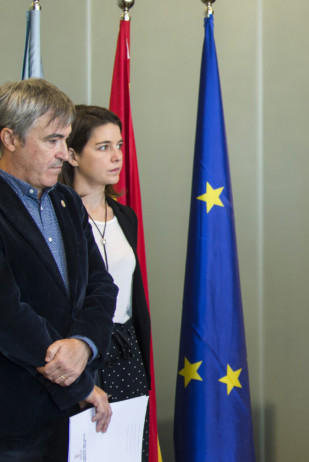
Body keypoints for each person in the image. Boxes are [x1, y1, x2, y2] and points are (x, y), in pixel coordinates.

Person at [0, 79, 116, 460]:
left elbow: (101, 286)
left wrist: (83, 344)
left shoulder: (66, 200)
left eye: (65, 140)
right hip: (14, 423)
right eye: (52, 140)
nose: (64, 154)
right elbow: (7, 314)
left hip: (72, 419)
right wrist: (76, 383)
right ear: (10, 139)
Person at [59, 105, 152, 462]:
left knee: (127, 449)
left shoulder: (125, 216)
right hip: (82, 351)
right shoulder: (58, 217)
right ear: (72, 155)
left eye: (119, 145)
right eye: (103, 147)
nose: (117, 157)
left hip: (127, 349)